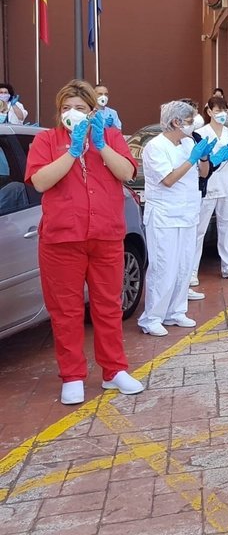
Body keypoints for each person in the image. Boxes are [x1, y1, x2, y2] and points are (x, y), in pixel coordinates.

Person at [24, 80, 144, 405]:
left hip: (105, 236)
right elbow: (39, 180)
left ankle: (114, 370)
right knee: (66, 310)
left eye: (79, 108)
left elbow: (127, 172)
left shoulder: (111, 137)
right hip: (62, 239)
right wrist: (73, 152)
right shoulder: (47, 140)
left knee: (108, 306)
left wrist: (100, 144)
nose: (72, 113)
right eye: (66, 108)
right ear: (58, 112)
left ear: (93, 110)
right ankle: (73, 375)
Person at [138, 101, 215, 337]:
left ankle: (176, 311)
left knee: (183, 266)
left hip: (187, 213)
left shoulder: (188, 142)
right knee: (164, 267)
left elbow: (203, 174)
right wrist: (192, 159)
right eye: (190, 120)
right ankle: (151, 317)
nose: (193, 124)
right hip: (164, 216)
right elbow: (168, 180)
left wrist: (203, 158)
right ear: (175, 122)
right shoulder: (155, 147)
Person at [191, 96, 228, 286]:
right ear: (209, 112)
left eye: (225, 110)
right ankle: (191, 271)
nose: (222, 114)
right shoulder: (199, 133)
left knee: (226, 227)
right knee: (199, 229)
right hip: (207, 188)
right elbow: (198, 165)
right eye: (218, 110)